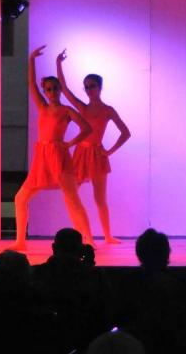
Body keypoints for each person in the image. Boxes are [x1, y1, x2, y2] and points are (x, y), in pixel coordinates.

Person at [12, 46, 94, 251]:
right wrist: (31, 59)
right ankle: (20, 241)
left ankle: (89, 240)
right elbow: (31, 84)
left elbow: (87, 128)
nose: (52, 92)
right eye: (49, 89)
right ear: (45, 90)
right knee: (20, 198)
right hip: (42, 157)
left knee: (72, 199)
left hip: (58, 156)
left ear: (60, 89)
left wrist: (69, 143)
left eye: (55, 88)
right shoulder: (42, 106)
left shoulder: (66, 110)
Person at [56, 50, 132, 245]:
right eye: (87, 86)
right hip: (81, 153)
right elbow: (64, 89)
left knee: (100, 199)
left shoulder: (108, 110)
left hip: (97, 155)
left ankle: (107, 236)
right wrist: (59, 64)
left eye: (92, 86)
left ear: (100, 87)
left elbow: (125, 133)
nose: (89, 89)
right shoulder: (82, 107)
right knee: (71, 194)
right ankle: (79, 234)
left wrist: (108, 152)